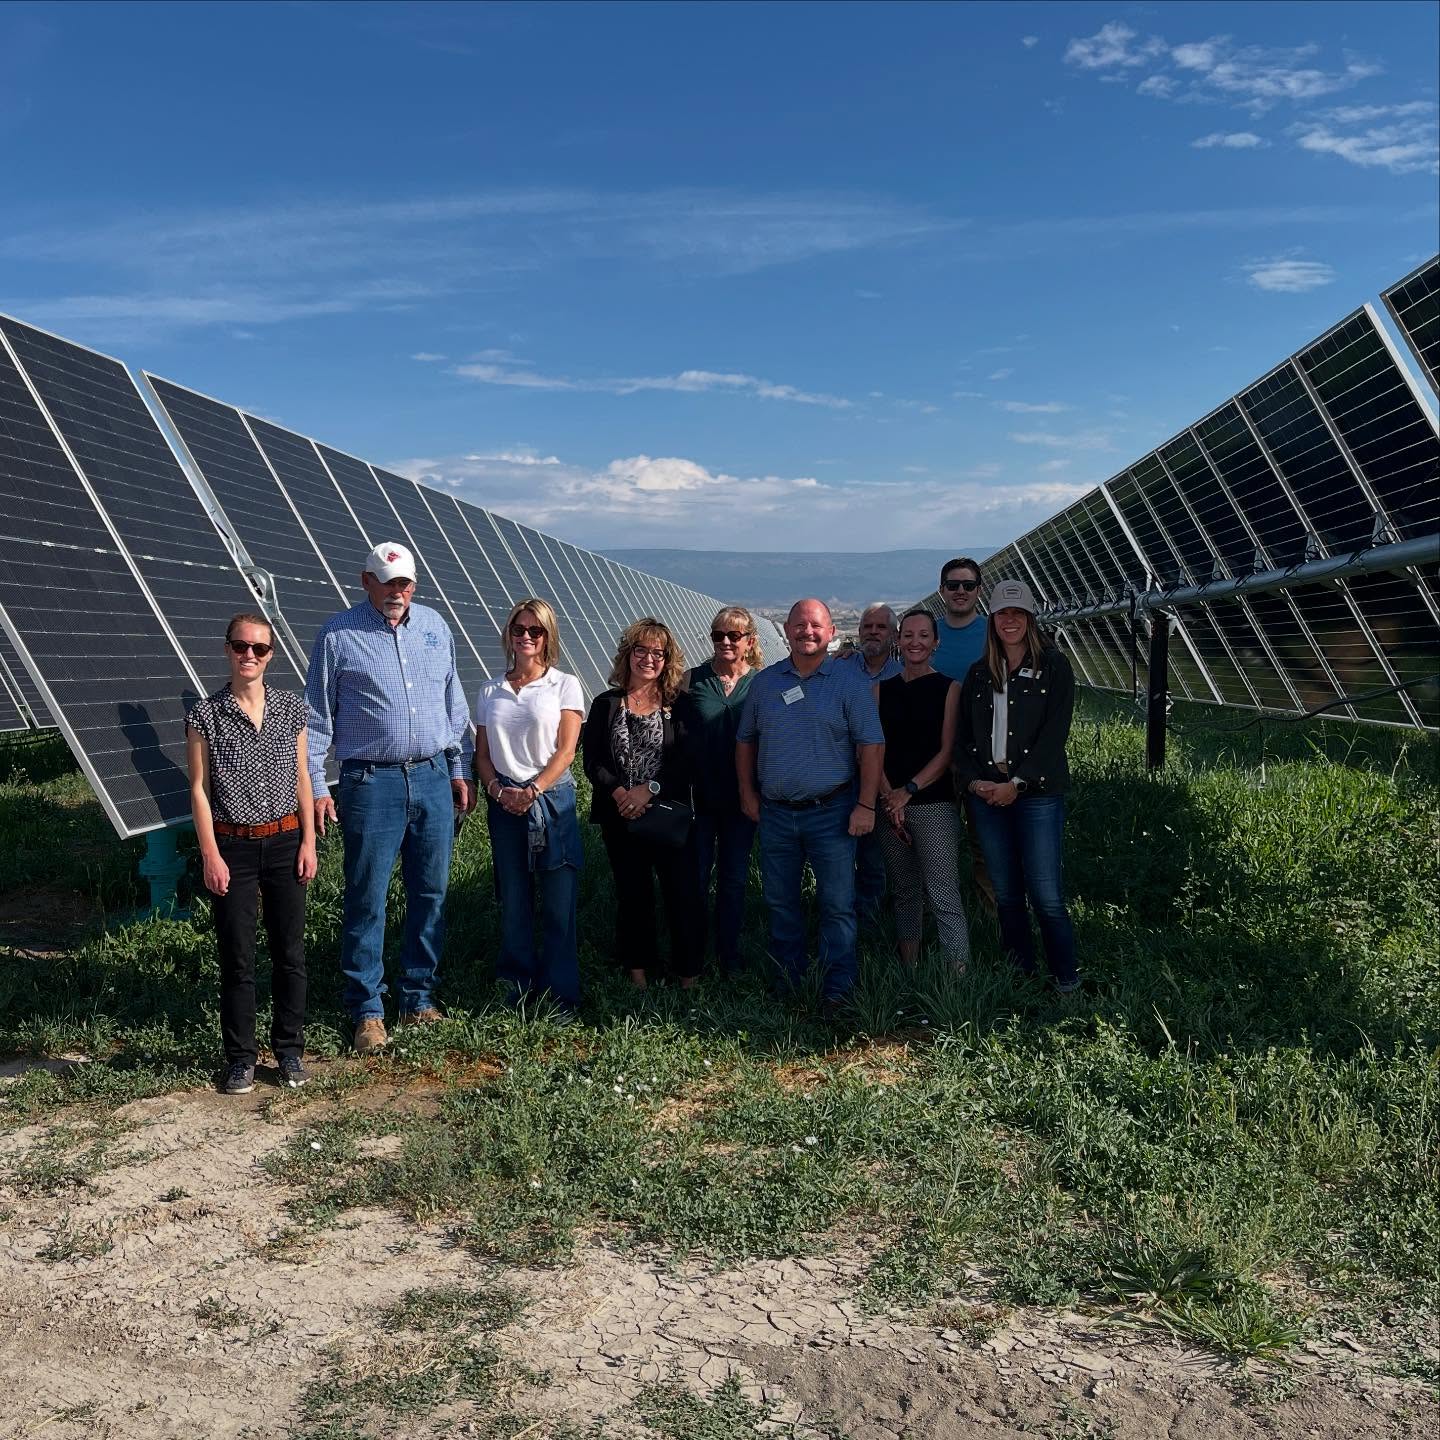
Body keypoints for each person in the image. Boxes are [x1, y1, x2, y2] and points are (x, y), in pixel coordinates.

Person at [306, 543, 473, 1054]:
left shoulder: (434, 626)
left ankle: (419, 996)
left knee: (430, 892)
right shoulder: (338, 635)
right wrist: (315, 784)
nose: (398, 591)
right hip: (369, 782)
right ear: (366, 581)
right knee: (367, 896)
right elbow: (316, 717)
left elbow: (454, 702)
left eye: (406, 583)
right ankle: (367, 1008)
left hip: (431, 776)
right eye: (388, 581)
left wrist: (459, 767)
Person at [188, 613, 317, 1095]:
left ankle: (289, 1051)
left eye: (259, 649)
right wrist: (210, 854)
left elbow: (303, 777)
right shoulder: (206, 714)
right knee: (237, 958)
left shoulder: (291, 708)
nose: (249, 655)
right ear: (227, 649)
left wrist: (308, 840)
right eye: (241, 646)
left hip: (286, 840)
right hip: (233, 847)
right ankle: (241, 1058)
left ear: (271, 656)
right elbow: (198, 789)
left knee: (290, 953)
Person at [736, 598, 885, 1007]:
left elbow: (871, 746)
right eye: (799, 625)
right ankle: (789, 978)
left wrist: (866, 805)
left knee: (838, 904)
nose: (807, 631)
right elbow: (745, 741)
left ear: (831, 632)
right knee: (780, 900)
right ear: (786, 630)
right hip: (776, 814)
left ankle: (839, 986)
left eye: (816, 625)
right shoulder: (765, 684)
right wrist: (748, 794)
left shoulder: (848, 684)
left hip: (832, 812)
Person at [955, 579, 1079, 994]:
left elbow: (1054, 734)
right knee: (1006, 893)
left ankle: (1065, 981)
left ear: (1030, 618)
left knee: (1046, 895)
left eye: (1018, 614)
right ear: (992, 620)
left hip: (1037, 796)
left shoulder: (1055, 666)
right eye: (1003, 614)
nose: (1010, 621)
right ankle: (1020, 977)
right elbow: (964, 737)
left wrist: (1019, 783)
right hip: (988, 795)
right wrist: (974, 781)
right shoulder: (978, 674)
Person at [474, 599, 585, 1016]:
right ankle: (515, 987)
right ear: (509, 633)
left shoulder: (564, 685)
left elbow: (566, 750)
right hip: (504, 803)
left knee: (559, 901)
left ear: (547, 637)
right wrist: (499, 792)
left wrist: (533, 790)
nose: (525, 636)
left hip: (551, 800)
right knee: (514, 898)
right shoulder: (489, 690)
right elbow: (482, 753)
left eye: (535, 631)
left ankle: (561, 995)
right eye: (519, 629)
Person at [583, 618, 700, 988]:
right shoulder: (606, 704)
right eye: (641, 650)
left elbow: (688, 760)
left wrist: (649, 789)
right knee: (633, 895)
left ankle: (688, 975)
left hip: (667, 814)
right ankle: (638, 973)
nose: (648, 659)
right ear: (628, 654)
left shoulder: (680, 705)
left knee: (681, 894)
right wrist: (620, 794)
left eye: (657, 653)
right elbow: (593, 760)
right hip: (620, 816)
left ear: (667, 660)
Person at [876, 609, 971, 972]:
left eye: (924, 636)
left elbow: (947, 751)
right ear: (898, 641)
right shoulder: (880, 690)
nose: (915, 642)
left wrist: (907, 791)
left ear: (936, 642)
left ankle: (958, 973)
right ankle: (908, 966)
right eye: (908, 635)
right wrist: (889, 794)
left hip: (933, 803)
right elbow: (872, 748)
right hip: (889, 806)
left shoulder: (950, 689)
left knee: (943, 889)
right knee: (904, 888)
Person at [675, 606, 764, 976]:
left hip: (744, 798)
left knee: (734, 878)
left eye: (734, 636)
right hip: (699, 797)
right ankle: (693, 953)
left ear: (750, 641)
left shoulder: (762, 683)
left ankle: (729, 954)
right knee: (695, 876)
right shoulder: (689, 680)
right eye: (718, 635)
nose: (725, 642)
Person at [842, 603, 902, 924]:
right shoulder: (841, 668)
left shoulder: (903, 675)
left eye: (881, 627)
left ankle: (870, 917)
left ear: (893, 635)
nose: (874, 632)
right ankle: (842, 911)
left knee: (875, 852)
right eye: (868, 627)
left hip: (886, 775)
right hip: (843, 773)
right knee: (844, 847)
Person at [930, 557, 988, 683]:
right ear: (941, 590)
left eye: (968, 586)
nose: (961, 591)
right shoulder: (926, 634)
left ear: (978, 591)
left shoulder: (995, 632)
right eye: (953, 586)